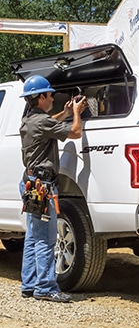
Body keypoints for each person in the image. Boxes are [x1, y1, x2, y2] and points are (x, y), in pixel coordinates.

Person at [19, 75, 87, 303]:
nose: (53, 98)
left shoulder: (29, 119)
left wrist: (65, 113)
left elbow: (49, 124)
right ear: (40, 97)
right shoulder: (42, 121)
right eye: (50, 95)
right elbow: (75, 133)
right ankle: (46, 288)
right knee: (46, 239)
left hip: (29, 183)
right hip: (43, 187)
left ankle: (29, 284)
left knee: (32, 236)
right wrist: (76, 112)